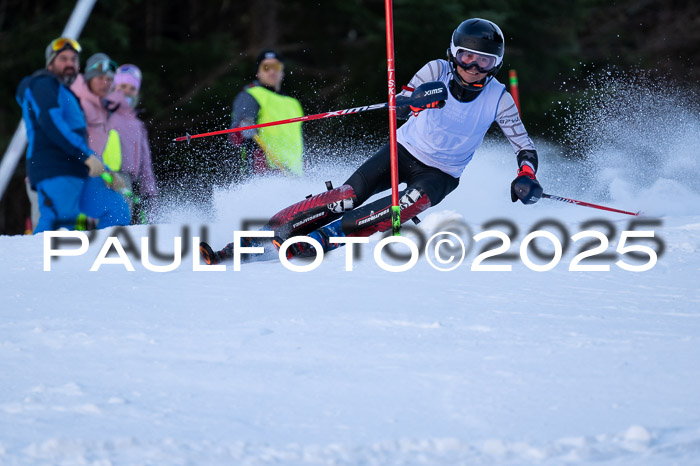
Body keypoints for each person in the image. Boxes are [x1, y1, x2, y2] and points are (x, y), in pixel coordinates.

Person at [200, 18, 543, 265]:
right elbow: (399, 108)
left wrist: (526, 175)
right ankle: (257, 238)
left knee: (404, 204)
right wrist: (416, 100)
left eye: (484, 61)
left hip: (441, 174)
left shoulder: (499, 98)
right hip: (402, 151)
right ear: (454, 53)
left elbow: (524, 146)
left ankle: (324, 238)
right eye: (467, 56)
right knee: (346, 197)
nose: (473, 67)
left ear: (495, 64)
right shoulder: (436, 70)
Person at [15, 38, 130, 233]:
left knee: (116, 208)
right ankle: (38, 262)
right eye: (63, 59)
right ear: (50, 62)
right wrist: (86, 157)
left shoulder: (64, 92)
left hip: (77, 170)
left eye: (74, 60)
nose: (70, 64)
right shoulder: (43, 84)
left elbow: (77, 137)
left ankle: (107, 260)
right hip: (55, 169)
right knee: (60, 226)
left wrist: (106, 170)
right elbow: (52, 124)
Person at [228, 50, 304, 178]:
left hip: (293, 175)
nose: (272, 71)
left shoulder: (293, 103)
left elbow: (299, 142)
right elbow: (234, 137)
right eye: (266, 67)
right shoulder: (251, 95)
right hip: (264, 176)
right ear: (258, 72)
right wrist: (242, 129)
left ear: (282, 71)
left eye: (276, 67)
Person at [106, 64, 158, 222]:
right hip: (102, 176)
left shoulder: (137, 125)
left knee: (120, 223)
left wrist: (150, 193)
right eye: (123, 86)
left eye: (132, 88)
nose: (127, 91)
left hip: (125, 182)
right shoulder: (103, 115)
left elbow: (145, 164)